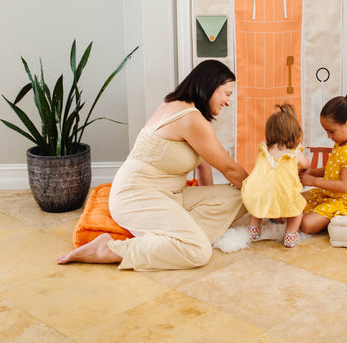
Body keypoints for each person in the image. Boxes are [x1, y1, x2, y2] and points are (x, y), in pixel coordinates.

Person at [57, 60, 247, 270]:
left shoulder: (179, 107)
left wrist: (208, 201)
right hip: (136, 195)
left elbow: (204, 166)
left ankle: (177, 235)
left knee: (241, 197)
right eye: (227, 93)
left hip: (170, 195)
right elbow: (229, 169)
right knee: (198, 251)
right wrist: (268, 194)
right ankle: (108, 249)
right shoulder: (190, 118)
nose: (228, 101)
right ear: (210, 86)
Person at [300, 92, 347, 234]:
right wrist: (311, 172)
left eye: (331, 131)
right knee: (293, 203)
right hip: (330, 193)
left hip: (344, 199)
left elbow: (344, 186)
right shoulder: (342, 142)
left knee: (306, 225)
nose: (328, 136)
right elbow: (332, 168)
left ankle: (328, 218)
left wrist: (313, 181)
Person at [241, 103, 310, 248]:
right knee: (297, 211)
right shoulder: (295, 152)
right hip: (285, 194)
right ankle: (290, 236)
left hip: (259, 192)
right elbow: (305, 164)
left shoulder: (264, 149)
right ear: (295, 133)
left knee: (256, 208)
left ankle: (253, 230)